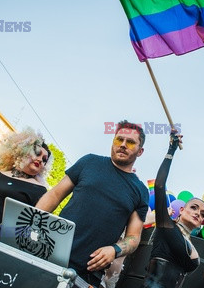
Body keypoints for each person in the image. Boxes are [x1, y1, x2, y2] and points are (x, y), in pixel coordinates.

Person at [36, 120, 149, 286]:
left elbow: (133, 237)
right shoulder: (89, 162)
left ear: (140, 151)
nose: (123, 145)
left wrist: (115, 249)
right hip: (49, 253)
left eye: (131, 142)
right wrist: (30, 223)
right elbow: (54, 195)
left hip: (88, 273)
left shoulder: (140, 191)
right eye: (119, 139)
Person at [141, 131, 204, 288]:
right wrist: (172, 150)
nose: (198, 213)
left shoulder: (188, 241)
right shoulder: (166, 226)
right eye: (194, 208)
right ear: (182, 210)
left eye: (202, 214)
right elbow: (159, 185)